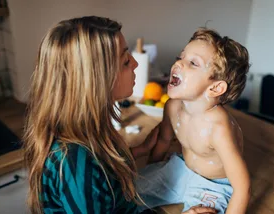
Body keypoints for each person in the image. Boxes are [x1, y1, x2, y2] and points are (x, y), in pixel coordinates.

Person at [23, 16, 218, 214]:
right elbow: (91, 175)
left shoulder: (86, 131)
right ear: (97, 79)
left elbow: (102, 175)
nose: (135, 63)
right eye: (125, 61)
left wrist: (139, 150)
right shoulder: (75, 162)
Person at [135, 28, 251, 214]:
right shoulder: (172, 107)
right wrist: (152, 173)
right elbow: (163, 141)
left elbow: (242, 186)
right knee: (127, 191)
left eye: (193, 63)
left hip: (213, 186)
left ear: (215, 88)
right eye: (180, 57)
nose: (178, 64)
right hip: (181, 169)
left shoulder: (218, 127)